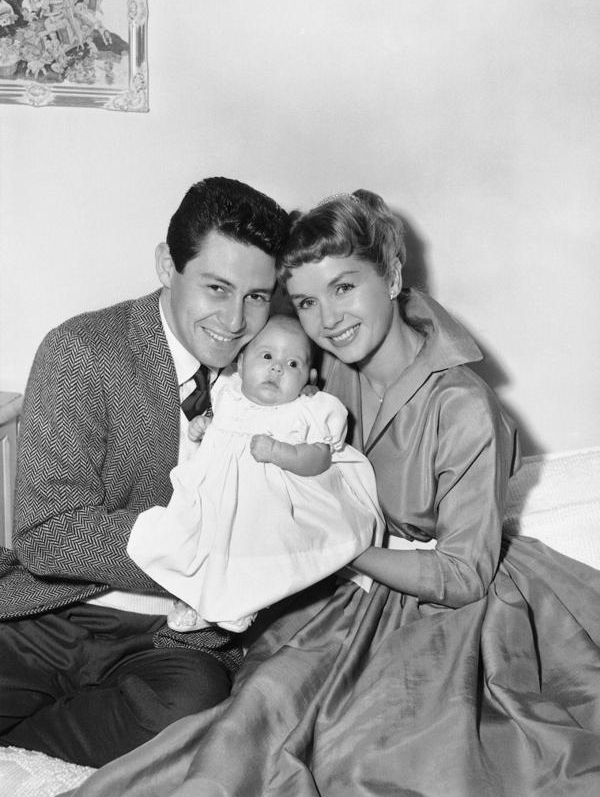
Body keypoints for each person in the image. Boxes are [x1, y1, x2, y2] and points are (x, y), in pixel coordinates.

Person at [59, 189, 600, 797]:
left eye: (344, 288)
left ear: (392, 276)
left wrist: (340, 548)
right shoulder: (321, 366)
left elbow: (463, 575)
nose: (329, 319)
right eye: (308, 301)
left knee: (376, 754)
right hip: (333, 587)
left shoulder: (464, 406)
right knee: (250, 720)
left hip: (439, 599)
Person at [0, 177, 290, 768]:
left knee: (187, 715)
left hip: (174, 642)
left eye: (257, 296)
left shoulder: (280, 371)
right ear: (166, 265)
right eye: (216, 287)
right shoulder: (82, 350)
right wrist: (204, 557)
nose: (236, 320)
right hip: (52, 613)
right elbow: (47, 533)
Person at [128, 314, 384, 634]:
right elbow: (222, 425)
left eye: (292, 364)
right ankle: (195, 600)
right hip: (217, 493)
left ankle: (243, 604)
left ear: (309, 377)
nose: (277, 368)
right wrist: (205, 426)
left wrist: (280, 452)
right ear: (241, 362)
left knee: (258, 550)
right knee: (196, 540)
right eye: (267, 356)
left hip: (269, 502)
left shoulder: (307, 410)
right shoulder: (229, 394)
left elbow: (320, 459)